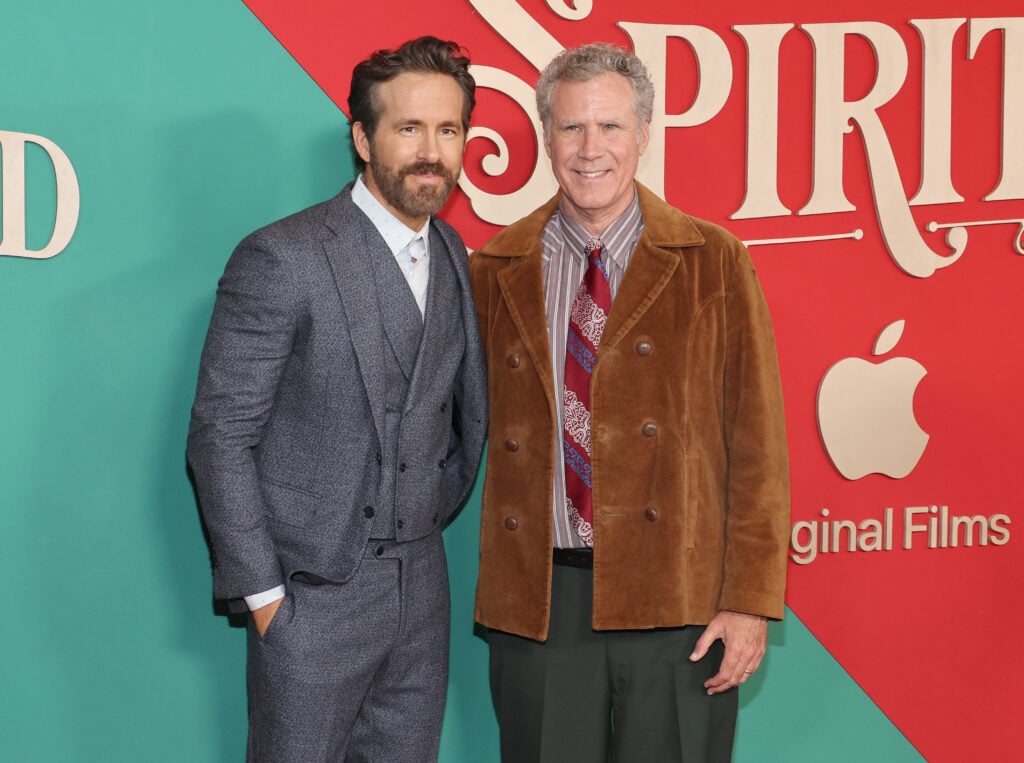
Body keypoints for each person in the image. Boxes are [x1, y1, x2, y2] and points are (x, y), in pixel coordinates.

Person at [469, 42, 790, 761]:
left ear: (644, 134)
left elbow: (759, 446)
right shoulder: (493, 268)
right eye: (572, 127)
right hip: (541, 605)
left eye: (610, 127)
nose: (591, 149)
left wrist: (747, 601)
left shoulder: (713, 261)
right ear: (546, 134)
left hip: (681, 603)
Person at [186, 36, 487, 762]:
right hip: (310, 601)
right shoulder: (283, 257)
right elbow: (218, 436)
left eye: (447, 130)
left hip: (422, 597)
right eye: (408, 128)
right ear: (362, 136)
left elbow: (460, 421)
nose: (430, 151)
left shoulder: (452, 255)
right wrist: (267, 599)